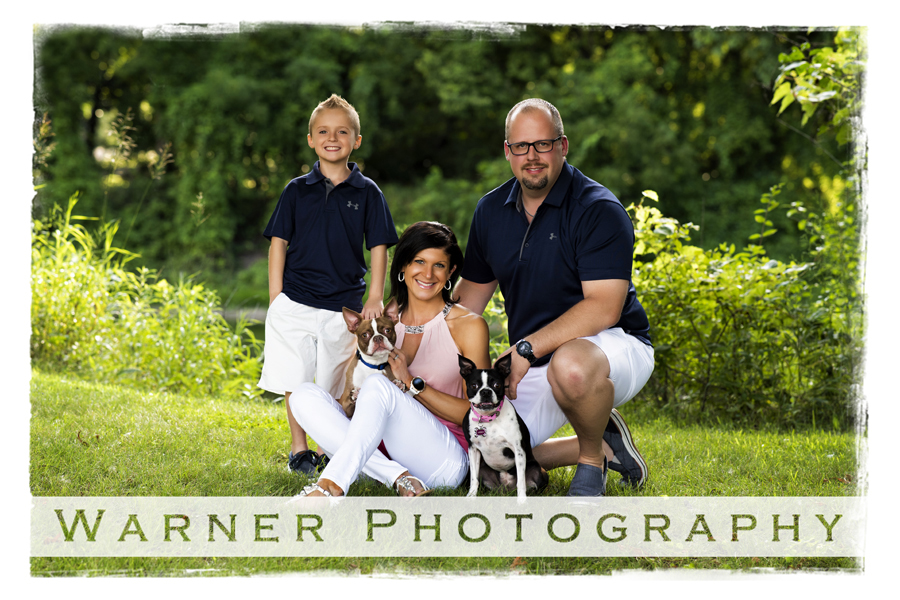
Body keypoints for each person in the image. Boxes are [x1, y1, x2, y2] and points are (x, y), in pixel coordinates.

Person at [454, 98, 655, 497]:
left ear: (562, 146)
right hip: (533, 361)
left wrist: (525, 349)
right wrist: (405, 340)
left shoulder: (598, 209)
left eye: (542, 144)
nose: (531, 156)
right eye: (521, 146)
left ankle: (591, 466)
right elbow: (465, 306)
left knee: (571, 366)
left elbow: (604, 307)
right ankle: (605, 443)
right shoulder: (490, 211)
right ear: (507, 151)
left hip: (612, 345)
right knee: (475, 459)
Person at [288, 221, 490, 497]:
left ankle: (329, 487)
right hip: (377, 453)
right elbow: (357, 406)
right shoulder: (381, 326)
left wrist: (410, 383)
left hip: (443, 460)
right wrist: (351, 401)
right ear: (403, 265)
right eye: (419, 261)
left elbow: (481, 415)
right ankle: (396, 477)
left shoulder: (469, 326)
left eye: (439, 265)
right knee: (303, 396)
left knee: (378, 384)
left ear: (451, 271)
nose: (428, 274)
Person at [257, 94, 398, 476]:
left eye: (341, 132)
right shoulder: (296, 189)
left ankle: (328, 449)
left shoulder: (368, 192)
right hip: (295, 300)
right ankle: (299, 451)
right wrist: (276, 297)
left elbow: (379, 246)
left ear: (357, 140)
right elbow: (278, 243)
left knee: (333, 381)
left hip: (343, 305)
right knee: (297, 377)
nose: (332, 138)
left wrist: (374, 295)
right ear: (310, 139)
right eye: (323, 131)